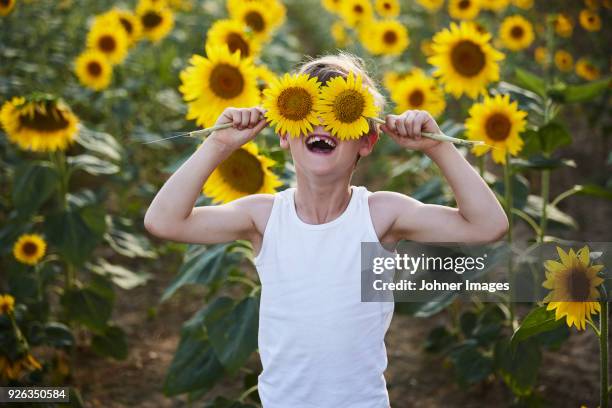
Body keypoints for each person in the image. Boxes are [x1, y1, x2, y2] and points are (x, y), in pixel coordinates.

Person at [144, 53, 508, 408]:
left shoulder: (380, 215)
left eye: (341, 113)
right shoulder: (265, 217)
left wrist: (437, 149)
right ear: (285, 133)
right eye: (305, 111)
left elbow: (488, 225)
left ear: (366, 141)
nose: (322, 124)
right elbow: (164, 221)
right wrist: (218, 143)